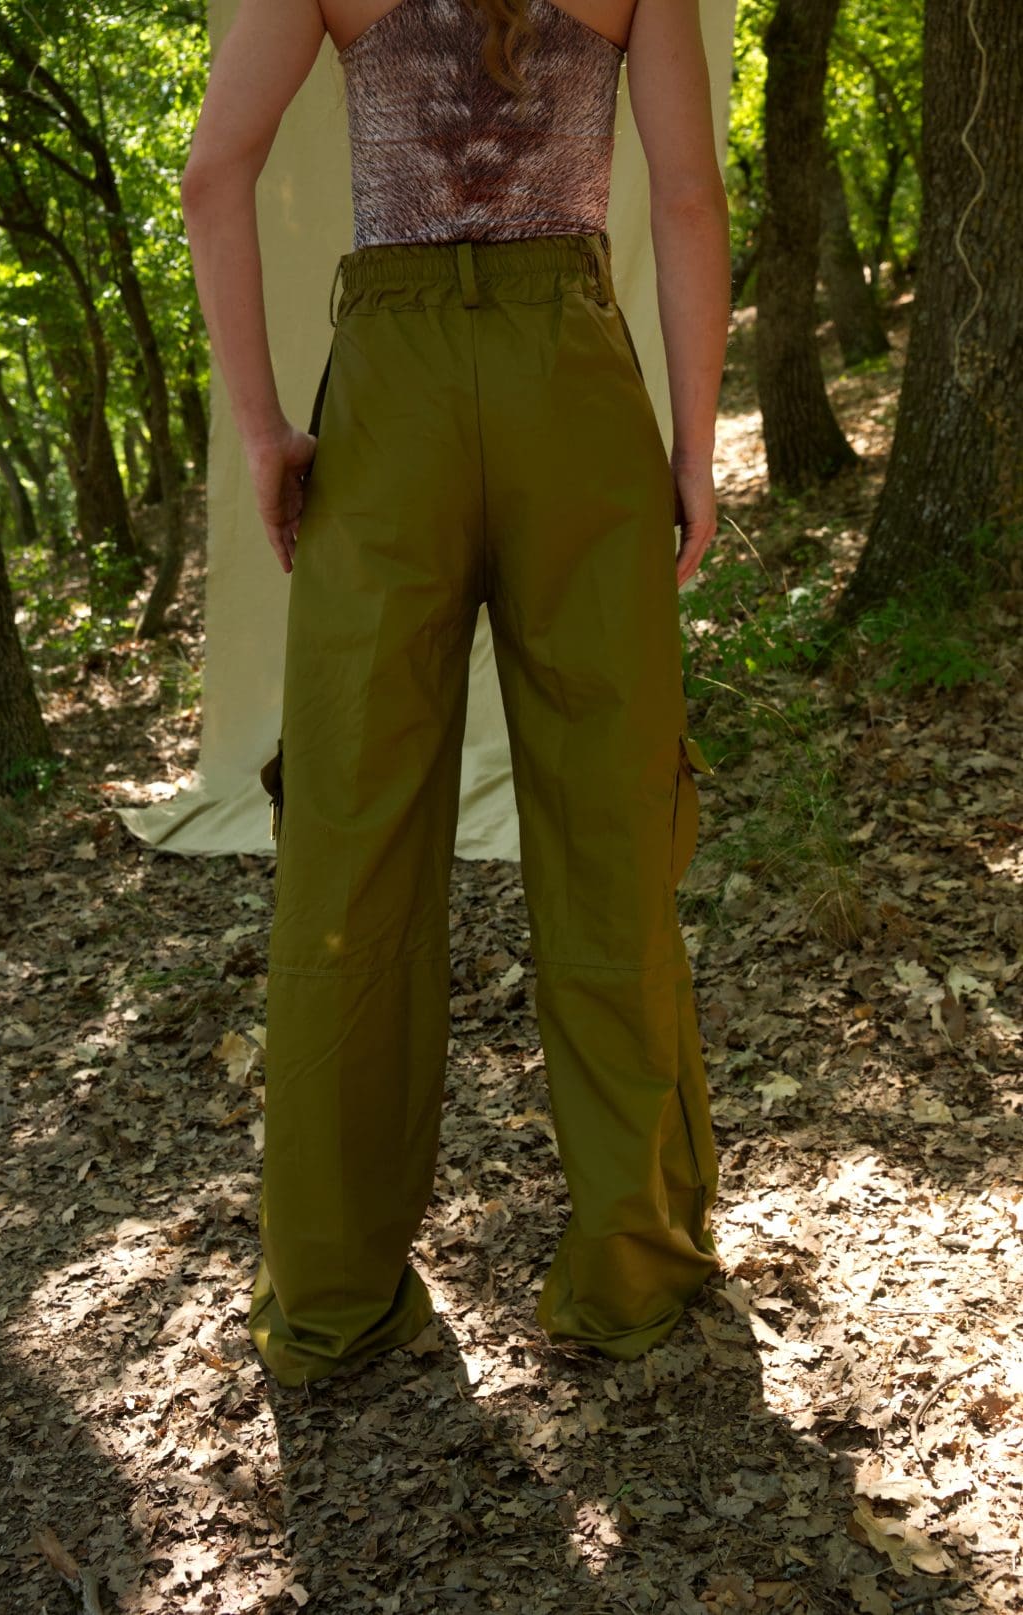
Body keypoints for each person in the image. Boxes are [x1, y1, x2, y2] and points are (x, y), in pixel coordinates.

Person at [181, 0, 731, 1388]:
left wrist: (261, 430)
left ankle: (332, 1297)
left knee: (350, 848)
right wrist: (696, 445)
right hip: (575, 385)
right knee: (612, 827)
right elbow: (682, 191)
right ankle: (631, 1266)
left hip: (392, 400)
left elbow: (211, 175)